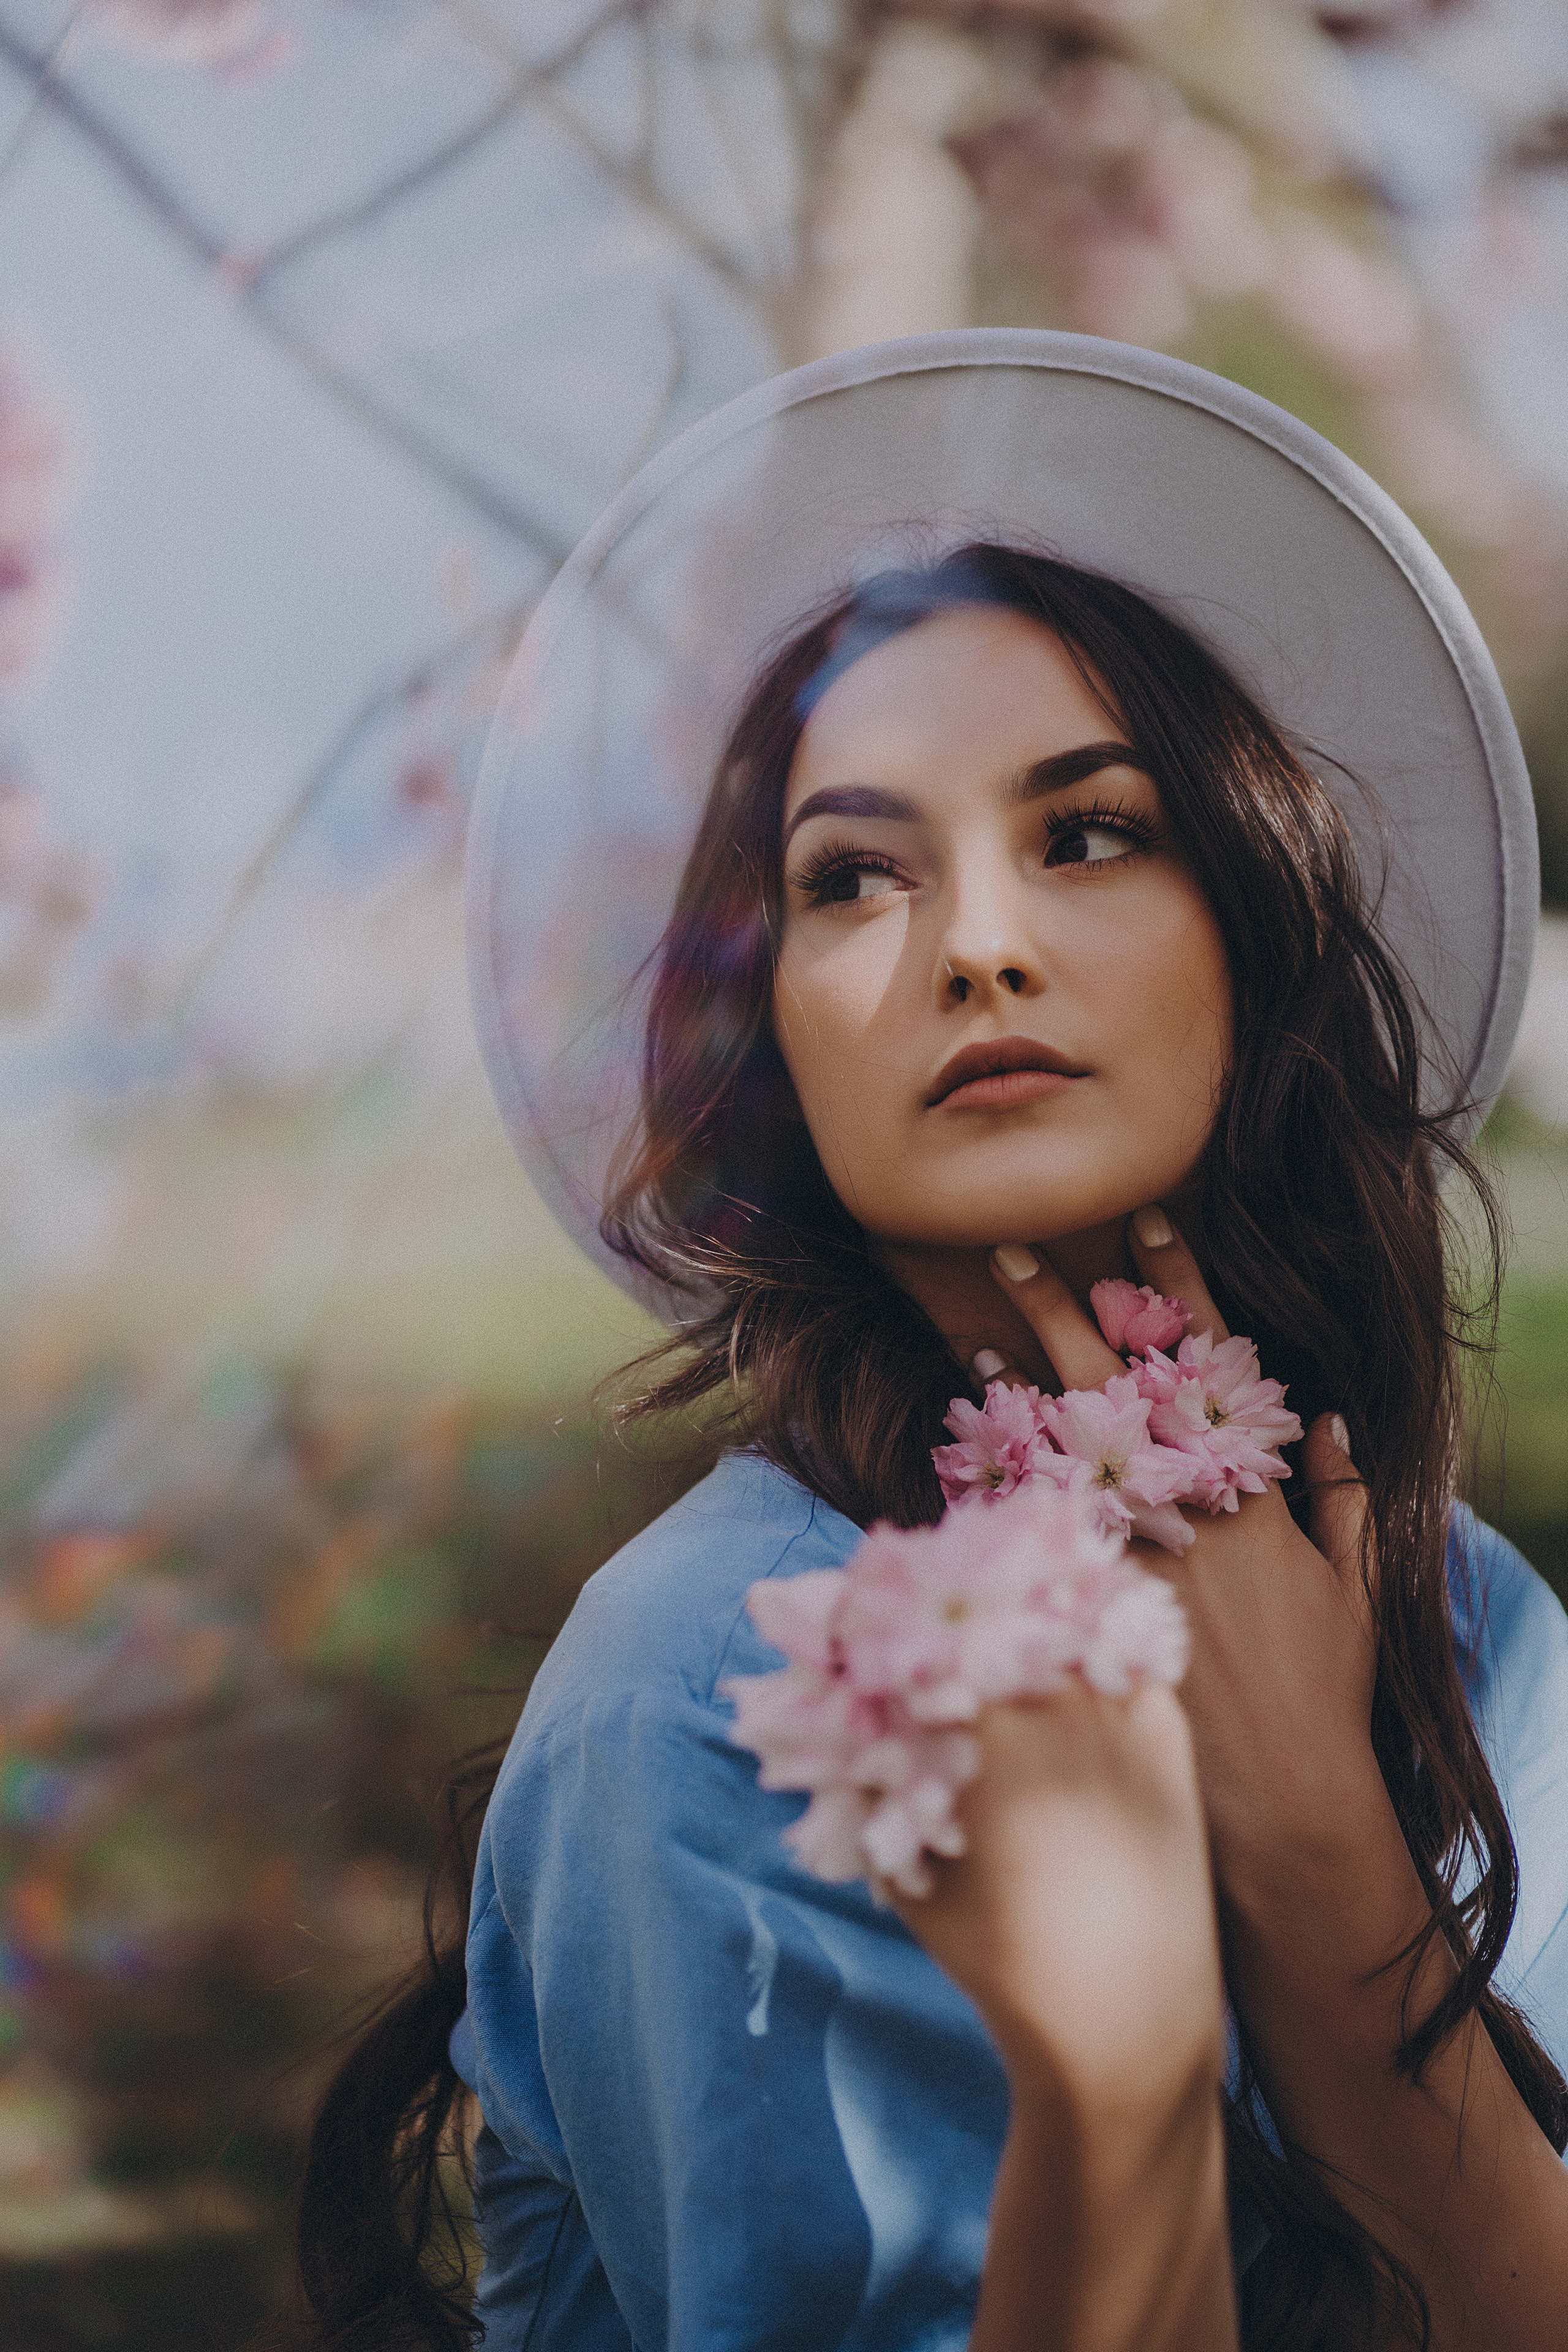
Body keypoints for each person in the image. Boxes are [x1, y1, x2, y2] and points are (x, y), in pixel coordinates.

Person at [293, 341, 1568, 2351]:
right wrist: (1122, 2054)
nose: (978, 944)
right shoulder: (724, 1683)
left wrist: (1328, 1851)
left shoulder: (1475, 1619)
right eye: (854, 876)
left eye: (1091, 832)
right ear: (774, 1043)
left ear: (1258, 914)